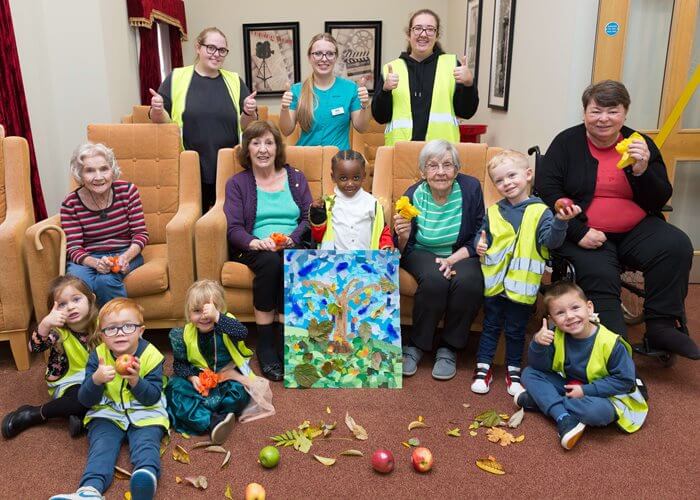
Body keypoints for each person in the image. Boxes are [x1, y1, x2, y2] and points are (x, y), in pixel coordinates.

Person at [534, 80, 698, 360]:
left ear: (625, 113)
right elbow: (548, 191)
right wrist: (577, 231)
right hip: (584, 231)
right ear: (585, 112)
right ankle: (614, 350)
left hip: (636, 228)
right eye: (596, 111)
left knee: (676, 246)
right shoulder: (567, 142)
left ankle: (661, 325)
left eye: (613, 111)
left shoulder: (639, 144)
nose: (603, 119)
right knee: (599, 273)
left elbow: (659, 198)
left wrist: (643, 170)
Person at [470, 151, 581, 396]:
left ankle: (513, 370)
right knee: (490, 326)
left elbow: (551, 242)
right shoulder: (493, 211)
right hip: (495, 284)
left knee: (515, 329)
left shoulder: (541, 212)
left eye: (512, 175)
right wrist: (480, 243)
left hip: (522, 287)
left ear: (528, 175)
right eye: (499, 180)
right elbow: (483, 235)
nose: (507, 183)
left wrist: (561, 222)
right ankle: (483, 367)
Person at [50, 298, 168, 500]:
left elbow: (152, 397)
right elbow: (85, 400)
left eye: (128, 326)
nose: (120, 332)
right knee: (101, 446)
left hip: (145, 411)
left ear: (141, 331)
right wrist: (96, 380)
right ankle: (90, 490)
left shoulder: (152, 355)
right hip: (108, 412)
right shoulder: (97, 356)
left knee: (147, 441)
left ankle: (146, 475)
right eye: (111, 329)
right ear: (102, 335)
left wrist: (135, 381)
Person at [224, 121, 312, 381]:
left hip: (291, 245)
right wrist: (255, 242)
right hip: (254, 247)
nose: (263, 149)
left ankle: (286, 339)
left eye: (269, 143)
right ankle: (265, 344)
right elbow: (234, 228)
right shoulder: (237, 183)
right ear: (247, 149)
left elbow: (309, 217)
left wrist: (292, 238)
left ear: (277, 148)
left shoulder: (295, 178)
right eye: (256, 142)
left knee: (286, 260)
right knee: (271, 262)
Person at [516, 281, 648, 450]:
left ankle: (544, 401)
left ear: (589, 308)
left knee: (595, 413)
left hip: (607, 396)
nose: (570, 316)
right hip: (572, 385)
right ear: (552, 320)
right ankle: (563, 417)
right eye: (560, 313)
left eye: (575, 308)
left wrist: (586, 391)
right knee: (528, 373)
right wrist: (537, 343)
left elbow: (625, 382)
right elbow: (539, 367)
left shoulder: (611, 343)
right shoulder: (555, 334)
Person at [394, 139, 484, 380]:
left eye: (448, 164)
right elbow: (402, 247)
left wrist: (453, 259)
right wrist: (402, 236)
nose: (441, 172)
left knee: (470, 282)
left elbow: (479, 232)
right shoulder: (412, 195)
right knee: (435, 280)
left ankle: (449, 347)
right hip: (421, 250)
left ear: (457, 168)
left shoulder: (471, 188)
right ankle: (416, 345)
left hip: (461, 251)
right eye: (433, 166)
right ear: (423, 171)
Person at [150, 26, 259, 212]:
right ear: (198, 47)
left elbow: (247, 126)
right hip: (190, 166)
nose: (217, 54)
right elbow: (159, 120)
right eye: (211, 48)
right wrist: (158, 109)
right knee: (194, 220)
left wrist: (249, 112)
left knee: (229, 222)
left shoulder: (234, 80)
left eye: (222, 50)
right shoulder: (177, 77)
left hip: (229, 165)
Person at [166, 280, 275, 443]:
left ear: (220, 309)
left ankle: (212, 413)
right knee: (173, 391)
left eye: (209, 311)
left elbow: (242, 333)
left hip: (227, 376)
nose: (204, 316)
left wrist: (217, 317)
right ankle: (213, 421)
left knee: (238, 395)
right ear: (189, 314)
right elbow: (179, 364)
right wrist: (192, 378)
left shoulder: (226, 324)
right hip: (200, 378)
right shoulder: (181, 335)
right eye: (197, 311)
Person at [2, 276, 99, 439]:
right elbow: (35, 347)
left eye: (76, 299)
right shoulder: (57, 332)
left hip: (98, 378)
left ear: (91, 299)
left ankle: (79, 418)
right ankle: (34, 413)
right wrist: (45, 324)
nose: (70, 307)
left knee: (115, 394)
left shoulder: (101, 323)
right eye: (62, 304)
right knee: (80, 399)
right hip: (70, 383)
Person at [372, 8, 478, 145]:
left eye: (430, 29)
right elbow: (380, 117)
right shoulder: (391, 69)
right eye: (417, 28)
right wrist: (385, 91)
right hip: (401, 152)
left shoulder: (452, 65)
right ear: (408, 34)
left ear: (437, 35)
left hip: (441, 154)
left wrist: (469, 84)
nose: (423, 34)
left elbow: (466, 112)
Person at [61, 142, 148, 307]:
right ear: (79, 174)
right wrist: (96, 263)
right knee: (76, 286)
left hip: (125, 252)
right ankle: (86, 332)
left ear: (112, 170)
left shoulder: (128, 191)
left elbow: (140, 235)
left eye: (104, 169)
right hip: (89, 257)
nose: (99, 177)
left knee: (106, 281)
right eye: (90, 170)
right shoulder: (70, 204)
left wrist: (124, 258)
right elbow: (73, 248)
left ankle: (122, 329)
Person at [279, 33, 370, 149]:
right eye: (317, 54)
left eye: (330, 54)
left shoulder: (350, 88)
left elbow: (361, 128)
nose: (324, 59)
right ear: (309, 57)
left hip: (339, 162)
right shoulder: (297, 90)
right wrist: (284, 108)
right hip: (306, 159)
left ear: (336, 57)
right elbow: (286, 130)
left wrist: (365, 105)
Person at [309, 149, 393, 250]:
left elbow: (382, 230)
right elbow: (317, 237)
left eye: (356, 178)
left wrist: (386, 245)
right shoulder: (328, 202)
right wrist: (317, 216)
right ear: (333, 177)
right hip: (335, 262)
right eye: (343, 178)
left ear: (364, 176)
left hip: (364, 261)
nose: (350, 183)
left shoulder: (372, 203)